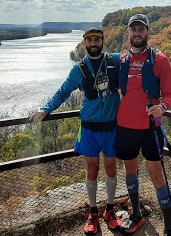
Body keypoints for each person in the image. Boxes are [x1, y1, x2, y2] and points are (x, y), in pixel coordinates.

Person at [29, 27, 122, 235]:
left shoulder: (115, 61)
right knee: (92, 169)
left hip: (111, 127)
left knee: (111, 168)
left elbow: (135, 59)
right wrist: (46, 109)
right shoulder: (79, 69)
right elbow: (63, 91)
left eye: (97, 39)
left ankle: (109, 210)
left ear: (102, 41)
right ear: (85, 44)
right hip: (89, 128)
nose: (93, 43)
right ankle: (92, 213)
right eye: (89, 41)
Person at [115, 14, 171, 236]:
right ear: (129, 33)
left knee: (156, 175)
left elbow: (169, 94)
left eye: (141, 29)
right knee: (130, 172)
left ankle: (168, 226)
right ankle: (136, 215)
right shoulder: (122, 61)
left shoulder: (160, 60)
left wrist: (162, 107)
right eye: (134, 29)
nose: (137, 33)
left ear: (148, 32)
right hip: (125, 126)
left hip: (150, 126)